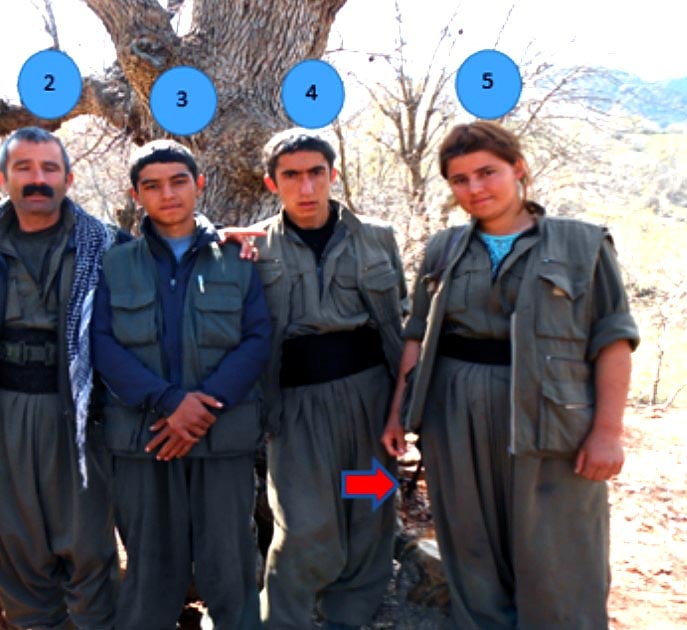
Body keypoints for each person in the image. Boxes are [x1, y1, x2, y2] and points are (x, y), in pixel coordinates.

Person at [381, 120, 640, 629]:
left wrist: (608, 432)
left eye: (487, 172)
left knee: (560, 555)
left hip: (552, 419)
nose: (475, 188)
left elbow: (613, 338)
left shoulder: (581, 244)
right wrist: (398, 415)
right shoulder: (444, 249)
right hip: (454, 416)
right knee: (471, 552)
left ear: (518, 169)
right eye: (460, 179)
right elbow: (416, 335)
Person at [0, 127, 123, 629]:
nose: (37, 178)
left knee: (87, 542)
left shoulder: (109, 244)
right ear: (2, 178)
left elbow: (175, 248)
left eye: (49, 168)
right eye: (23, 167)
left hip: (79, 413)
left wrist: (220, 238)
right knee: (16, 544)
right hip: (1, 412)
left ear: (69, 177)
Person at [91, 139, 272, 629]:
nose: (167, 194)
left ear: (200, 184)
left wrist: (203, 408)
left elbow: (257, 338)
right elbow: (102, 342)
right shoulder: (115, 263)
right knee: (149, 575)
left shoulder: (237, 258)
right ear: (136, 195)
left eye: (178, 182)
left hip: (223, 438)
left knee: (231, 571)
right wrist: (169, 401)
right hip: (145, 439)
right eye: (152, 186)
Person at [253, 128, 405, 629]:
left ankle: (348, 619)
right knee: (304, 525)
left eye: (316, 173)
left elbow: (401, 324)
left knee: (369, 508)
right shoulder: (253, 246)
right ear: (272, 183)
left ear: (333, 174)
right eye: (292, 176)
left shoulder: (377, 238)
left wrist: (402, 408)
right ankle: (283, 621)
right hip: (296, 409)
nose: (307, 187)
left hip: (370, 403)